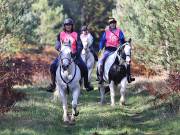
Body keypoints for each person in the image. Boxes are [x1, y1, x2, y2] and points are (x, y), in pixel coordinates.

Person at [47, 18, 94, 92]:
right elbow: (57, 45)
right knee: (52, 66)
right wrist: (59, 49)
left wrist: (75, 52)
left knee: (84, 67)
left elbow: (80, 45)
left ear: (72, 26)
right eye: (66, 25)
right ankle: (53, 85)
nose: (68, 26)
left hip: (74, 56)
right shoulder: (60, 34)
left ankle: (86, 84)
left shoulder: (75, 34)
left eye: (69, 25)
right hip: (63, 56)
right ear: (64, 26)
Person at [98, 17, 135, 84]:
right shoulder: (106, 32)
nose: (112, 24)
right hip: (108, 50)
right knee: (102, 60)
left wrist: (125, 44)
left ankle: (128, 76)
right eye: (111, 23)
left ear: (115, 24)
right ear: (109, 24)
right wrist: (100, 48)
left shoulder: (119, 31)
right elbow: (102, 41)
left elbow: (122, 40)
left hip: (116, 50)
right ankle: (101, 77)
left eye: (114, 23)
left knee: (127, 60)